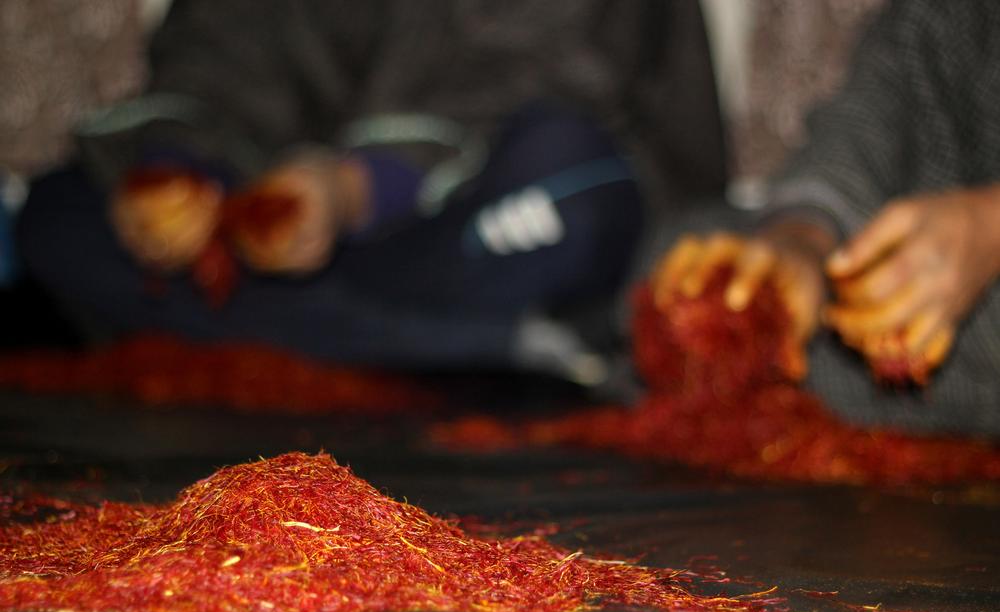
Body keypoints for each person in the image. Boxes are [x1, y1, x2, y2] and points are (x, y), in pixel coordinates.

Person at [16, 0, 726, 385]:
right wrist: (181, 174)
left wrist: (353, 189)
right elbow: (219, 51)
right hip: (336, 238)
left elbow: (563, 72)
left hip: (456, 210)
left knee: (575, 188)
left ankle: (275, 329)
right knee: (53, 212)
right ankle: (475, 349)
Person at [655, 0, 1000, 437]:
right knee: (680, 250)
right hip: (911, 248)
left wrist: (988, 224)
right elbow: (870, 117)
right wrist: (801, 243)